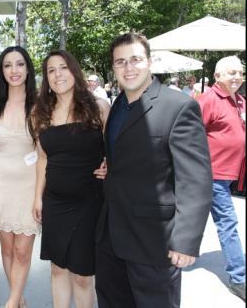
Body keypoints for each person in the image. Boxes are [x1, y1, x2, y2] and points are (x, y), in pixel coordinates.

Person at [95, 32, 212, 308]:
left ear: (150, 62)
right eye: (120, 62)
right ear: (113, 67)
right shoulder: (117, 106)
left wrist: (185, 241)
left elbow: (195, 180)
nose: (128, 67)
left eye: (135, 59)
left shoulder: (179, 106)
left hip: (153, 240)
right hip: (111, 235)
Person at [32, 50, 109, 308]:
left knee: (84, 277)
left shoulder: (99, 108)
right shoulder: (40, 113)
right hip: (55, 203)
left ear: (74, 70)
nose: (57, 75)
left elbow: (117, 149)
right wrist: (37, 199)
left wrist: (111, 164)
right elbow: (42, 159)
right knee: (57, 269)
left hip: (89, 203)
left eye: (63, 67)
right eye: (50, 70)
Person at [0, 46, 40, 308]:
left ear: (28, 68)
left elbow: (49, 152)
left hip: (30, 186)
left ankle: (11, 302)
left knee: (22, 250)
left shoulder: (41, 105)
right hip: (0, 184)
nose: (14, 70)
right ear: (1, 71)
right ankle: (19, 300)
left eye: (19, 64)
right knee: (7, 250)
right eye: (8, 65)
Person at [197, 56, 246, 301]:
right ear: (217, 76)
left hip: (229, 174)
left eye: (240, 72)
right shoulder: (208, 100)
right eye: (231, 73)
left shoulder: (239, 100)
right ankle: (239, 278)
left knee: (189, 218)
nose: (237, 77)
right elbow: (189, 136)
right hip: (211, 175)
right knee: (228, 223)